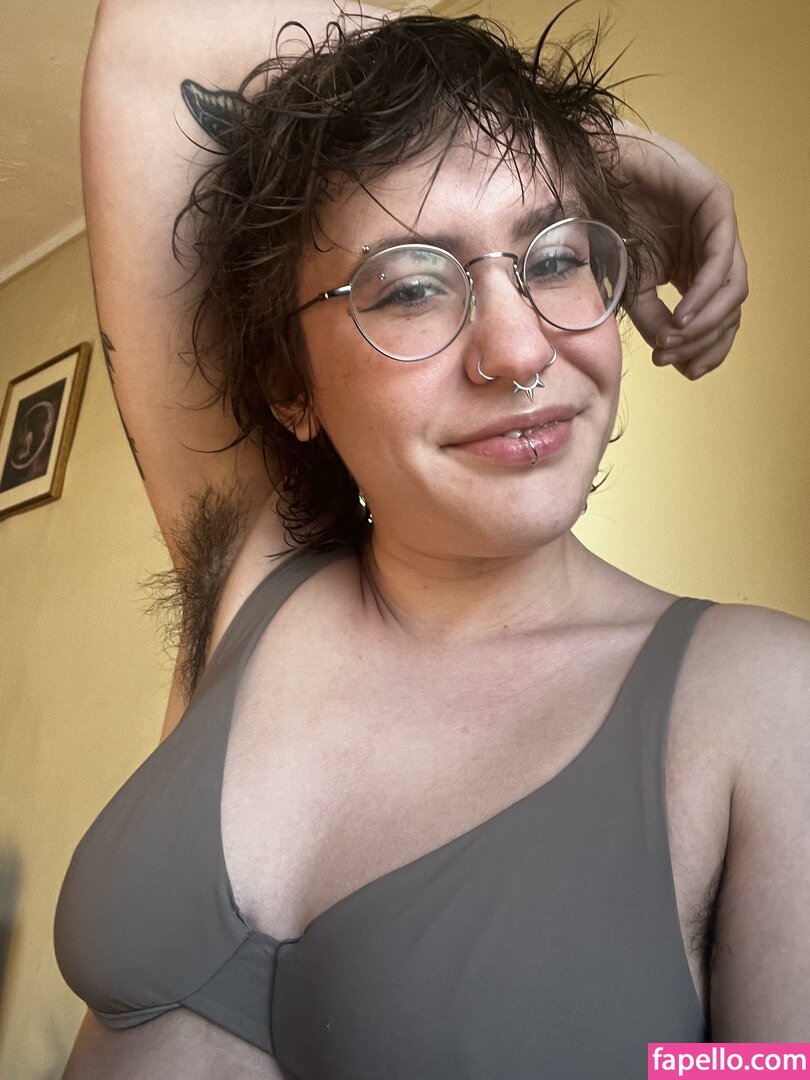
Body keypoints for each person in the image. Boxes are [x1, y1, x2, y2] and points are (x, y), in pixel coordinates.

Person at [55, 3, 807, 1078]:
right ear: (290, 385)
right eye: (413, 285)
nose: (518, 350)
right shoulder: (252, 575)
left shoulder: (767, 703)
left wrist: (538, 124)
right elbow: (165, 23)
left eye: (557, 256)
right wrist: (602, 143)